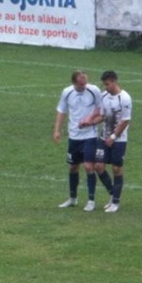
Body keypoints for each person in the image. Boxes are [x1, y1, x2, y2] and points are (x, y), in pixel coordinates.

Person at [83, 71, 132, 213]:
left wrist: (114, 136)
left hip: (119, 139)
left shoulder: (124, 98)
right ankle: (112, 194)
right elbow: (103, 116)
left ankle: (115, 202)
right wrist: (91, 122)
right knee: (98, 166)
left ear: (115, 82)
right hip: (104, 137)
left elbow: (125, 121)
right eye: (104, 84)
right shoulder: (104, 96)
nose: (105, 87)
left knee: (116, 169)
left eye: (107, 84)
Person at [54, 70, 102, 211]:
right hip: (74, 136)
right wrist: (57, 130)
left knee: (88, 166)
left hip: (90, 135)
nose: (84, 86)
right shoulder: (67, 92)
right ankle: (72, 198)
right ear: (74, 82)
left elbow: (101, 109)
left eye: (85, 83)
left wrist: (90, 121)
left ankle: (91, 200)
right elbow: (61, 111)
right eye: (81, 84)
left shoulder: (94, 90)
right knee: (73, 167)